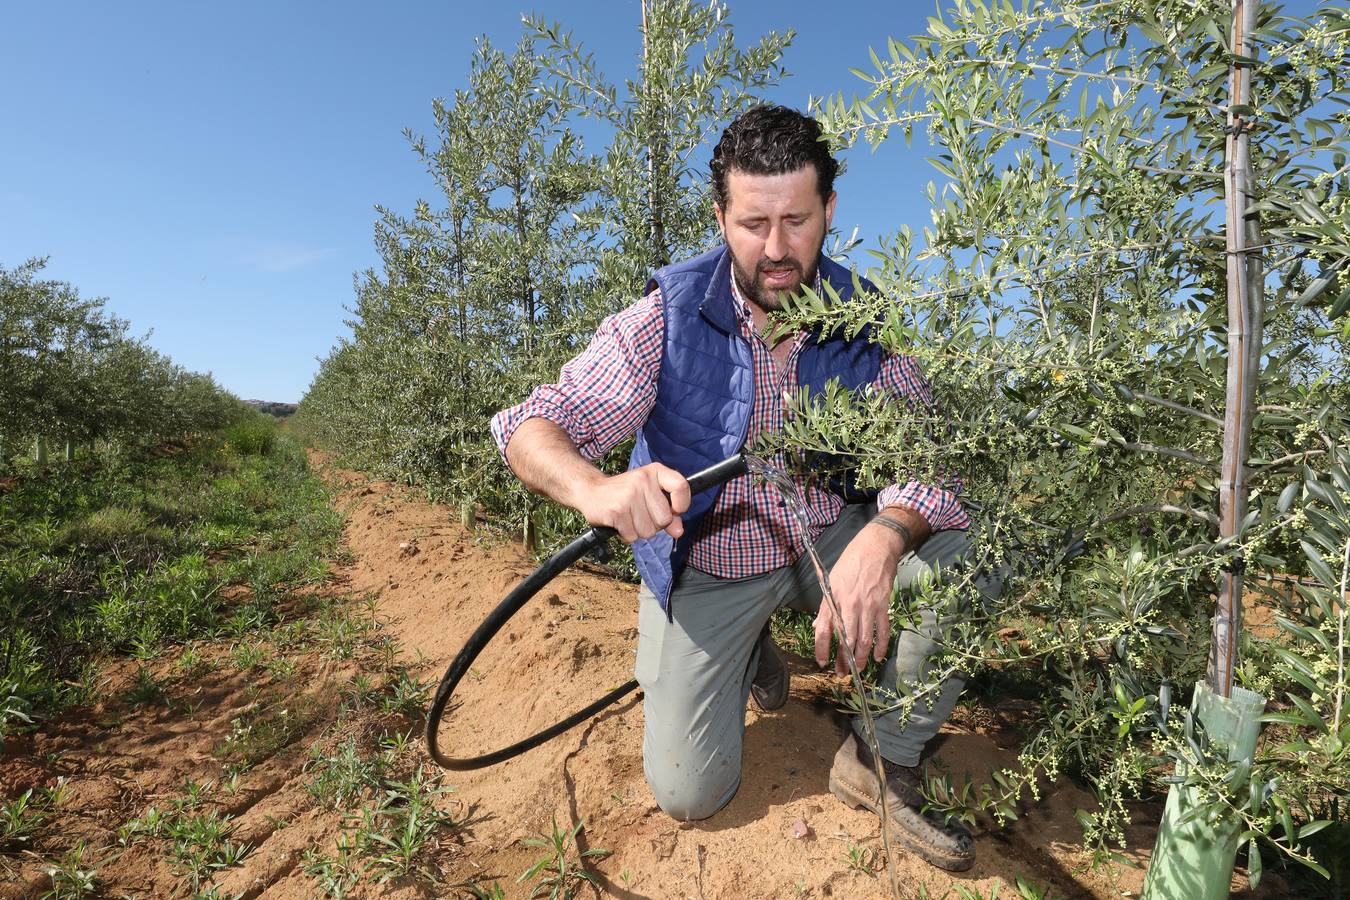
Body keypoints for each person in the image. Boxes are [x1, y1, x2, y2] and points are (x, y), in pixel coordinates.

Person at [490, 104, 999, 873]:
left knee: (965, 540)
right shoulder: (666, 316)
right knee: (691, 793)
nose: (777, 249)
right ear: (720, 215)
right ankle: (744, 645)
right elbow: (530, 424)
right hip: (714, 563)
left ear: (829, 210)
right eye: (754, 223)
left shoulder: (864, 321)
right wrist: (596, 488)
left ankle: (880, 759)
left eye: (796, 220)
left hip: (826, 538)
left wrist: (887, 536)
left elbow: (935, 456)